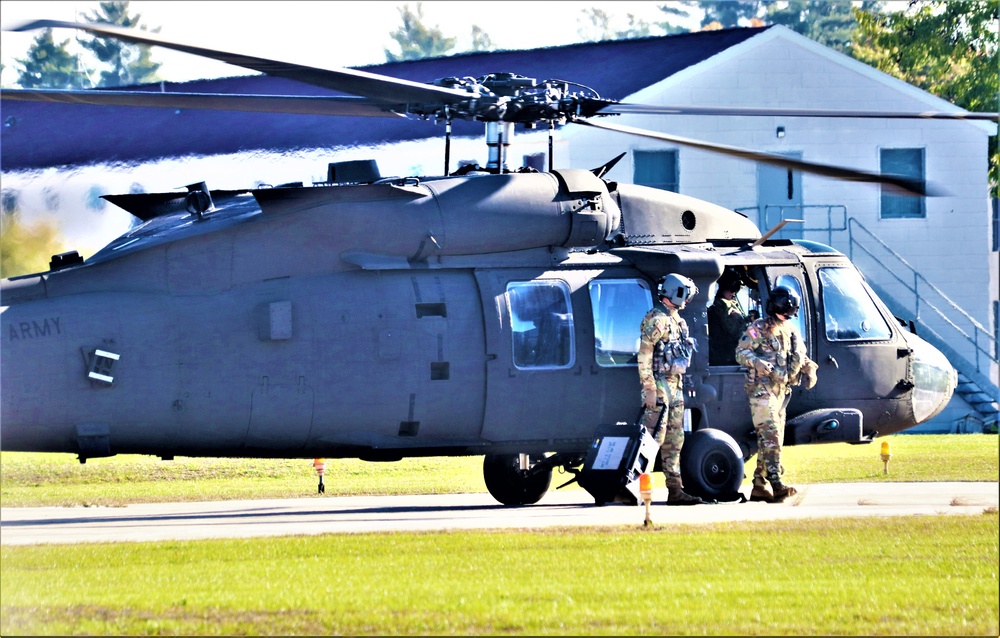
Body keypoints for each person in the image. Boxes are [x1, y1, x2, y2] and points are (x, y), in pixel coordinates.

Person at [735, 286, 818, 503]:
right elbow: (740, 352)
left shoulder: (790, 329)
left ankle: (759, 485)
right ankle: (776, 482)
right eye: (784, 313)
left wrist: (809, 368)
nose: (786, 317)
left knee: (774, 439)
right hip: (762, 391)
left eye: (789, 314)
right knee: (770, 435)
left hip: (782, 392)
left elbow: (798, 356)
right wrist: (758, 362)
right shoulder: (758, 328)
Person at [637, 273, 704, 505]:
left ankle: (675, 490)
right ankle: (633, 487)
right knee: (652, 438)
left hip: (676, 386)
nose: (686, 298)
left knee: (675, 439)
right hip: (660, 385)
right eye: (684, 293)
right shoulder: (656, 319)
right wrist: (649, 388)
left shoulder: (677, 321)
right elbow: (644, 355)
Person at [707, 269, 748, 365]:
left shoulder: (730, 303)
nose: (734, 293)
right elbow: (732, 330)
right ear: (723, 287)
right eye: (731, 289)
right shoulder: (722, 305)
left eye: (736, 289)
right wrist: (740, 320)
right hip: (726, 355)